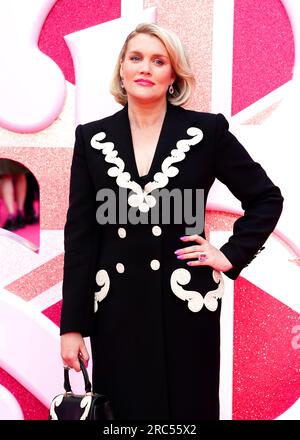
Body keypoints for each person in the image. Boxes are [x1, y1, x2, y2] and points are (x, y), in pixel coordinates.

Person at [60, 23, 283, 420]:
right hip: (117, 312)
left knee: (186, 415)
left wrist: (230, 254)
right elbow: (81, 237)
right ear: (122, 69)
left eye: (158, 60)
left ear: (173, 74)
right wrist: (72, 326)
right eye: (136, 57)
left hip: (186, 306)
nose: (146, 68)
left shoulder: (206, 132)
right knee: (124, 418)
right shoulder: (91, 138)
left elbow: (266, 197)